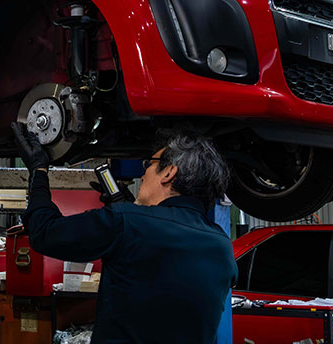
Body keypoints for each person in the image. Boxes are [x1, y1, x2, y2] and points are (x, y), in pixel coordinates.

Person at [17, 127, 237, 344]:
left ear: (169, 173)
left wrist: (38, 172)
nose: (143, 173)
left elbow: (45, 232)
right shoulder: (222, 245)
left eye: (149, 164)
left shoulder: (125, 221)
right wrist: (129, 210)